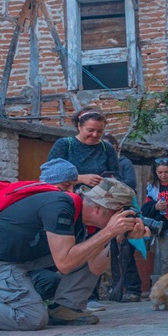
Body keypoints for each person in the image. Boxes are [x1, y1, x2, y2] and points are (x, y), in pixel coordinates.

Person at [0, 178, 148, 332]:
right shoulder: (60, 206)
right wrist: (109, 231)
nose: (124, 218)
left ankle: (65, 308)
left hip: (27, 257)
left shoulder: (92, 222)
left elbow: (95, 266)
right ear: (101, 209)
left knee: (89, 247)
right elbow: (64, 264)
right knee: (31, 318)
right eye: (122, 212)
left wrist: (117, 237)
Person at [47, 106, 119, 311]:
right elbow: (50, 173)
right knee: (70, 248)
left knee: (93, 246)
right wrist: (80, 178)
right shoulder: (64, 145)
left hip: (96, 208)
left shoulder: (107, 149)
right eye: (90, 130)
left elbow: (116, 173)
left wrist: (106, 181)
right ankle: (59, 295)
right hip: (68, 205)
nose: (95, 135)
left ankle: (89, 296)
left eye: (99, 131)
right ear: (79, 126)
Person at [30, 158, 80, 300]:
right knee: (34, 318)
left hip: (36, 262)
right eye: (65, 186)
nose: (71, 192)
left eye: (73, 186)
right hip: (14, 265)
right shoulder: (47, 205)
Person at [102, 134, 141, 303]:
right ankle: (116, 289)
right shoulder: (98, 163)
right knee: (110, 253)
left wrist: (110, 182)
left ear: (116, 147)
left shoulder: (124, 163)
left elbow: (131, 184)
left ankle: (133, 289)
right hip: (102, 213)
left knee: (125, 252)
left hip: (123, 210)